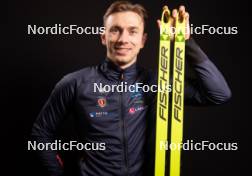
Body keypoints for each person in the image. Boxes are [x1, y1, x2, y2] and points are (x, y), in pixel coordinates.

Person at [31, 1, 232, 176]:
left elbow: (218, 94)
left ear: (143, 40)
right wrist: (56, 172)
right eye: (115, 30)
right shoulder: (75, 83)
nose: (123, 39)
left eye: (132, 31)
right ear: (103, 37)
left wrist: (186, 42)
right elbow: (41, 133)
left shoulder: (157, 83)